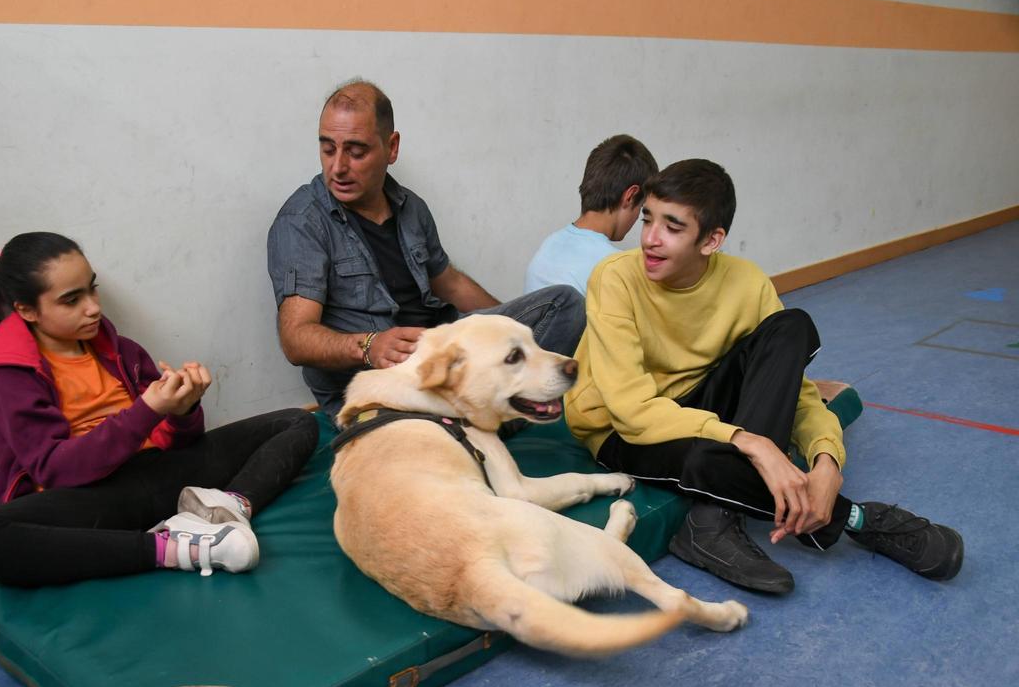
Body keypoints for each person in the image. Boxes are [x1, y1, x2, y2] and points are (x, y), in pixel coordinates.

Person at [565, 160, 963, 594]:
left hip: (699, 403)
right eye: (647, 219)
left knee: (792, 326)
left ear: (711, 240)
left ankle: (711, 519)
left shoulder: (747, 282)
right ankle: (859, 519)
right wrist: (753, 444)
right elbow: (631, 410)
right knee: (702, 460)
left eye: (672, 227)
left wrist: (826, 460)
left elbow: (797, 392)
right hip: (620, 429)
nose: (650, 239)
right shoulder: (615, 278)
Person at [0, 232, 318, 586]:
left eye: (92, 288)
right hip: (96, 498)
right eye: (71, 300)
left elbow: (180, 441)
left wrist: (183, 410)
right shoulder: (13, 373)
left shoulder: (119, 348)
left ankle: (224, 510)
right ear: (27, 310)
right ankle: (174, 548)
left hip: (160, 473)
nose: (93, 307)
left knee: (296, 422)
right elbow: (56, 470)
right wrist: (146, 410)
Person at [267, 79, 585, 417]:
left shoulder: (411, 208)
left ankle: (471, 416)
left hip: (443, 359)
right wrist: (369, 346)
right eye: (328, 149)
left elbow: (451, 283)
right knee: (416, 417)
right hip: (382, 385)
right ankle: (474, 418)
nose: (338, 167)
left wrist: (505, 335)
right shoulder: (302, 221)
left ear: (391, 147)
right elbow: (296, 337)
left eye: (356, 152)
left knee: (564, 304)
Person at [524, 134, 658, 294]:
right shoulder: (615, 268)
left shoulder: (548, 246)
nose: (637, 218)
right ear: (630, 196)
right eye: (641, 207)